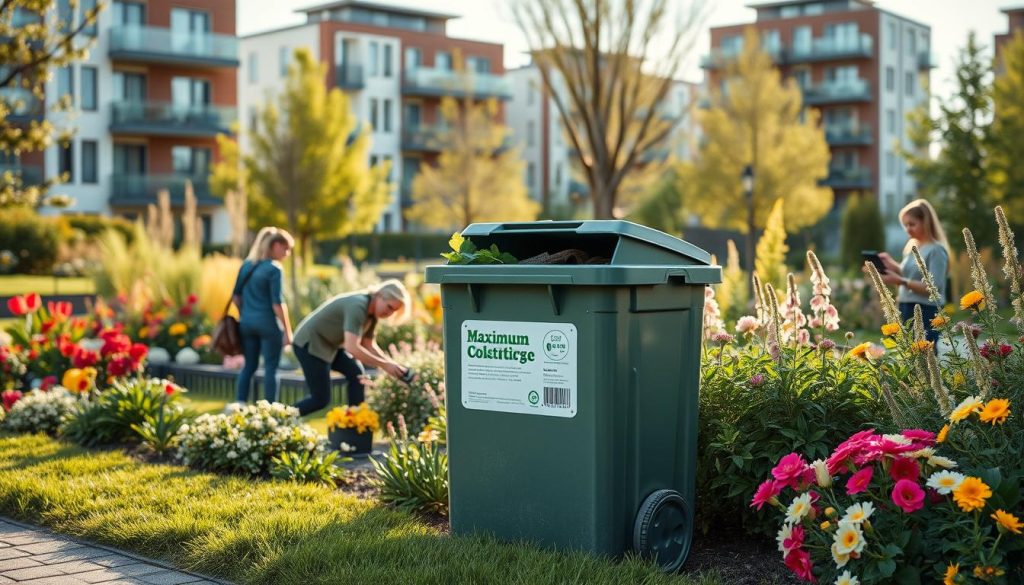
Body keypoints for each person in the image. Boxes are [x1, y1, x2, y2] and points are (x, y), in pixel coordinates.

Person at [291, 279, 412, 416]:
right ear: (379, 295)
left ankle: (355, 422)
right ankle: (278, 418)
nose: (389, 313)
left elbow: (368, 345)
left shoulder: (372, 315)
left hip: (329, 345)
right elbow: (352, 348)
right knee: (320, 399)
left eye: (394, 311)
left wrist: (392, 365)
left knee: (357, 374)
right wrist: (384, 365)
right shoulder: (358, 306)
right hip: (309, 343)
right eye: (389, 307)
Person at [232, 227, 294, 405]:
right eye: (286, 248)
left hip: (246, 324)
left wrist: (246, 313)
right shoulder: (274, 268)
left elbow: (235, 297)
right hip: (268, 325)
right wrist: (288, 331)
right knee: (271, 369)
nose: (287, 253)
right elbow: (277, 303)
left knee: (249, 366)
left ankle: (240, 405)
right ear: (274, 245)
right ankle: (269, 411)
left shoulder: (246, 266)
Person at [876, 199, 950, 343]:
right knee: (909, 354)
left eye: (912, 224)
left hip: (926, 310)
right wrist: (890, 264)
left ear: (926, 222)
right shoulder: (912, 246)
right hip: (906, 305)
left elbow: (934, 288)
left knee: (926, 353)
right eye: (905, 225)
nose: (907, 229)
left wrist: (900, 281)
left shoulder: (936, 250)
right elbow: (908, 273)